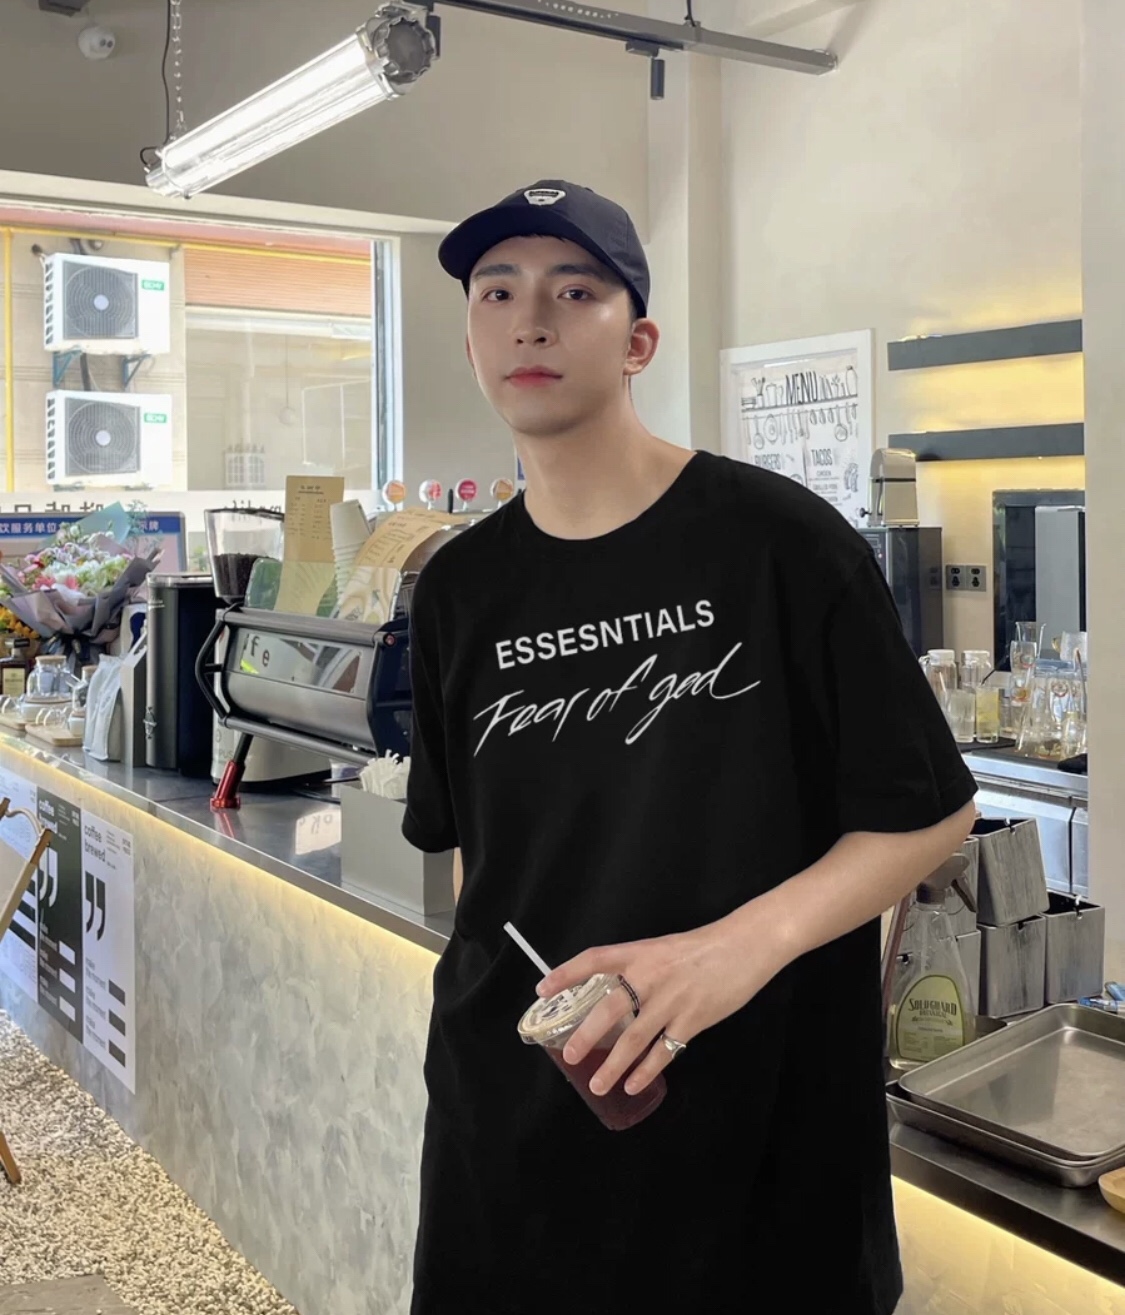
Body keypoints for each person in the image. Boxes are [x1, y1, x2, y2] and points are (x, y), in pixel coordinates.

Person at [402, 179, 977, 1315]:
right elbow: (478, 861)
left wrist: (727, 952)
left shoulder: (780, 543)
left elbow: (928, 810)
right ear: (469, 340)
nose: (531, 321)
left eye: (576, 292)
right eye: (497, 293)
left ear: (639, 342)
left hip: (759, 1137)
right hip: (515, 1137)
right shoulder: (457, 587)